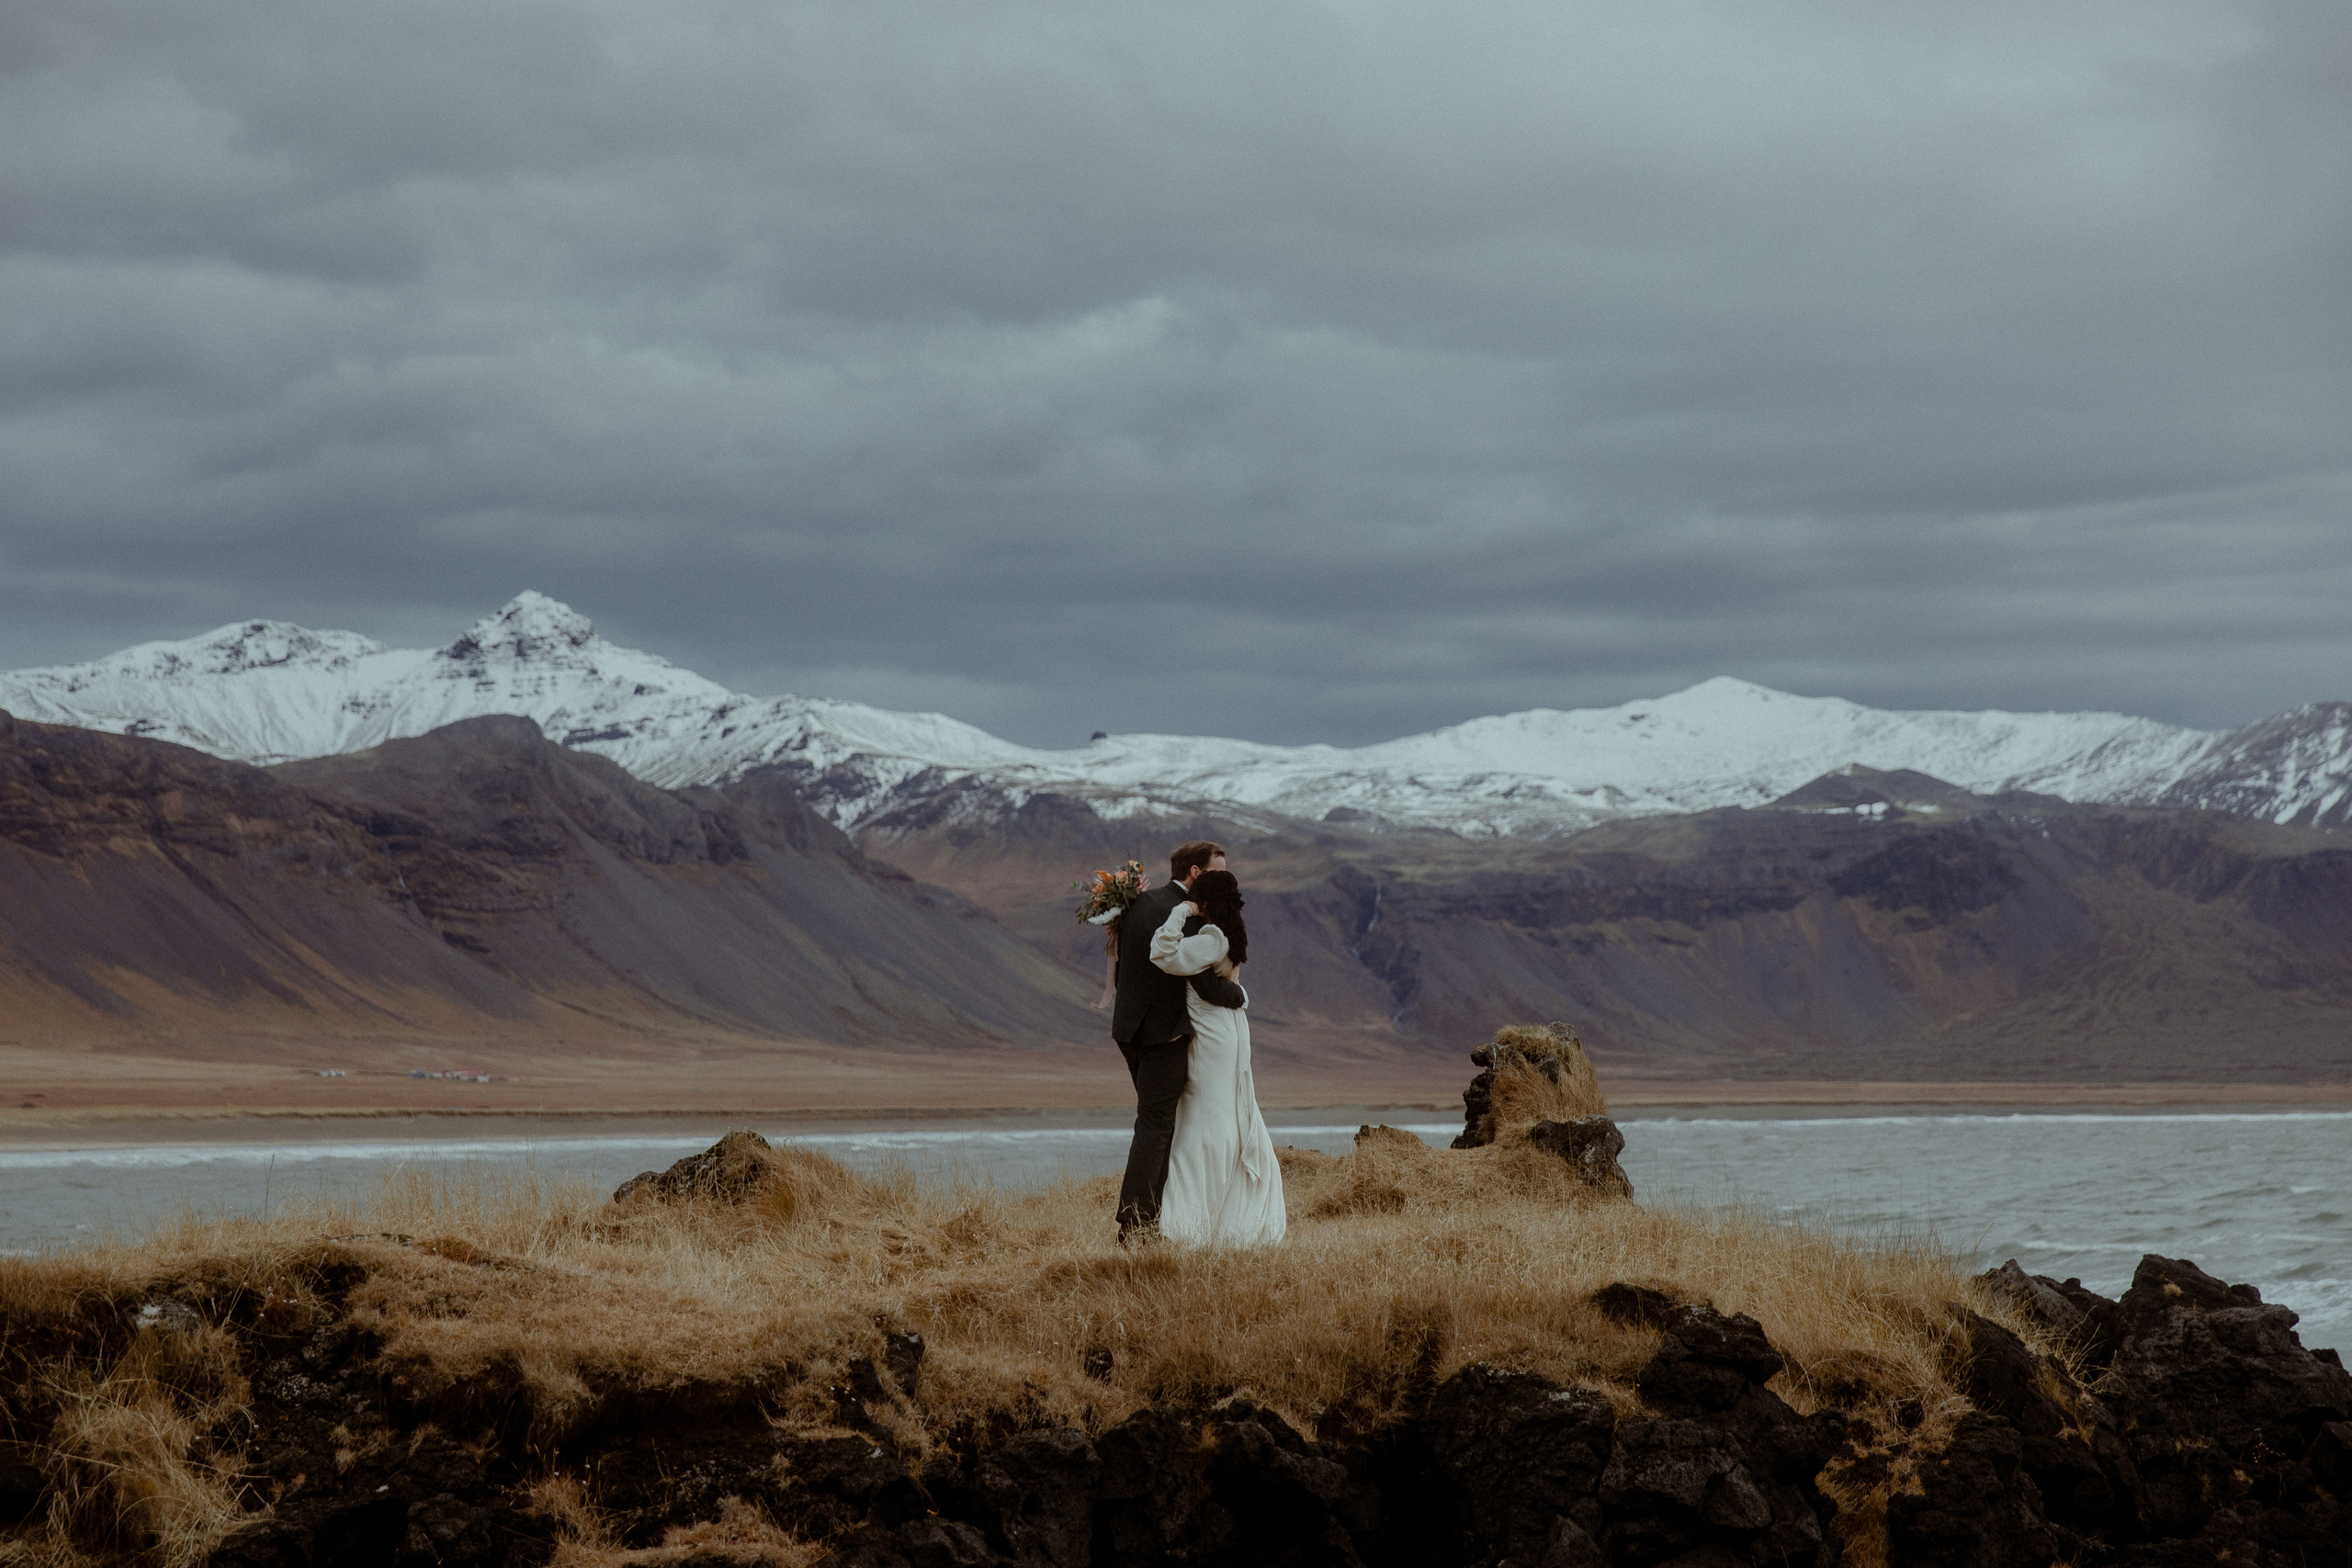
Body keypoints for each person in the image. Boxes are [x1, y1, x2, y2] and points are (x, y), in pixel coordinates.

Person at [1110, 840, 1245, 1244]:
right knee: (1157, 1127)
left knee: (1157, 1124)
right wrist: (1238, 994)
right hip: (1164, 1033)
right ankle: (1137, 1226)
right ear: (1197, 873)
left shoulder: (1139, 903)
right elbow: (1202, 983)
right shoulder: (1186, 915)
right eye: (1219, 871)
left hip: (1129, 1030)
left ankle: (1152, 1218)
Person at [1148, 869, 1285, 1247]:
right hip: (1231, 1031)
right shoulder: (1231, 934)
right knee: (1226, 1112)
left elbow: (1161, 952)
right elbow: (1229, 988)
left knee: (1201, 1118)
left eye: (1197, 897)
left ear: (1204, 901)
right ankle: (1231, 1215)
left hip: (1213, 1037)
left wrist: (1180, 912)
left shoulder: (1210, 937)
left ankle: (1191, 1224)